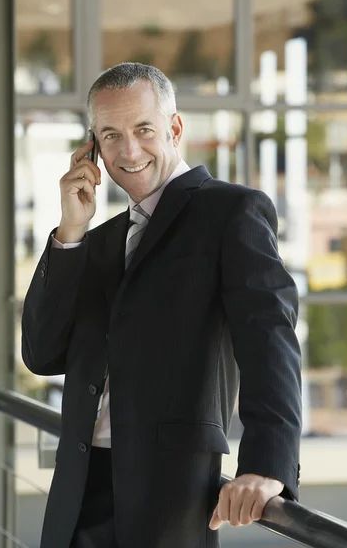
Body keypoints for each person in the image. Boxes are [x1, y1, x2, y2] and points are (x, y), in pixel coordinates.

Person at [21, 62, 302, 548]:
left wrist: (265, 464)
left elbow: (269, 337)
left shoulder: (231, 211)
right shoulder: (100, 239)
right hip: (77, 491)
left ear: (174, 128)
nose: (128, 150)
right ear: (92, 147)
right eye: (110, 135)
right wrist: (69, 234)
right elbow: (42, 353)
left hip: (169, 496)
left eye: (143, 129)